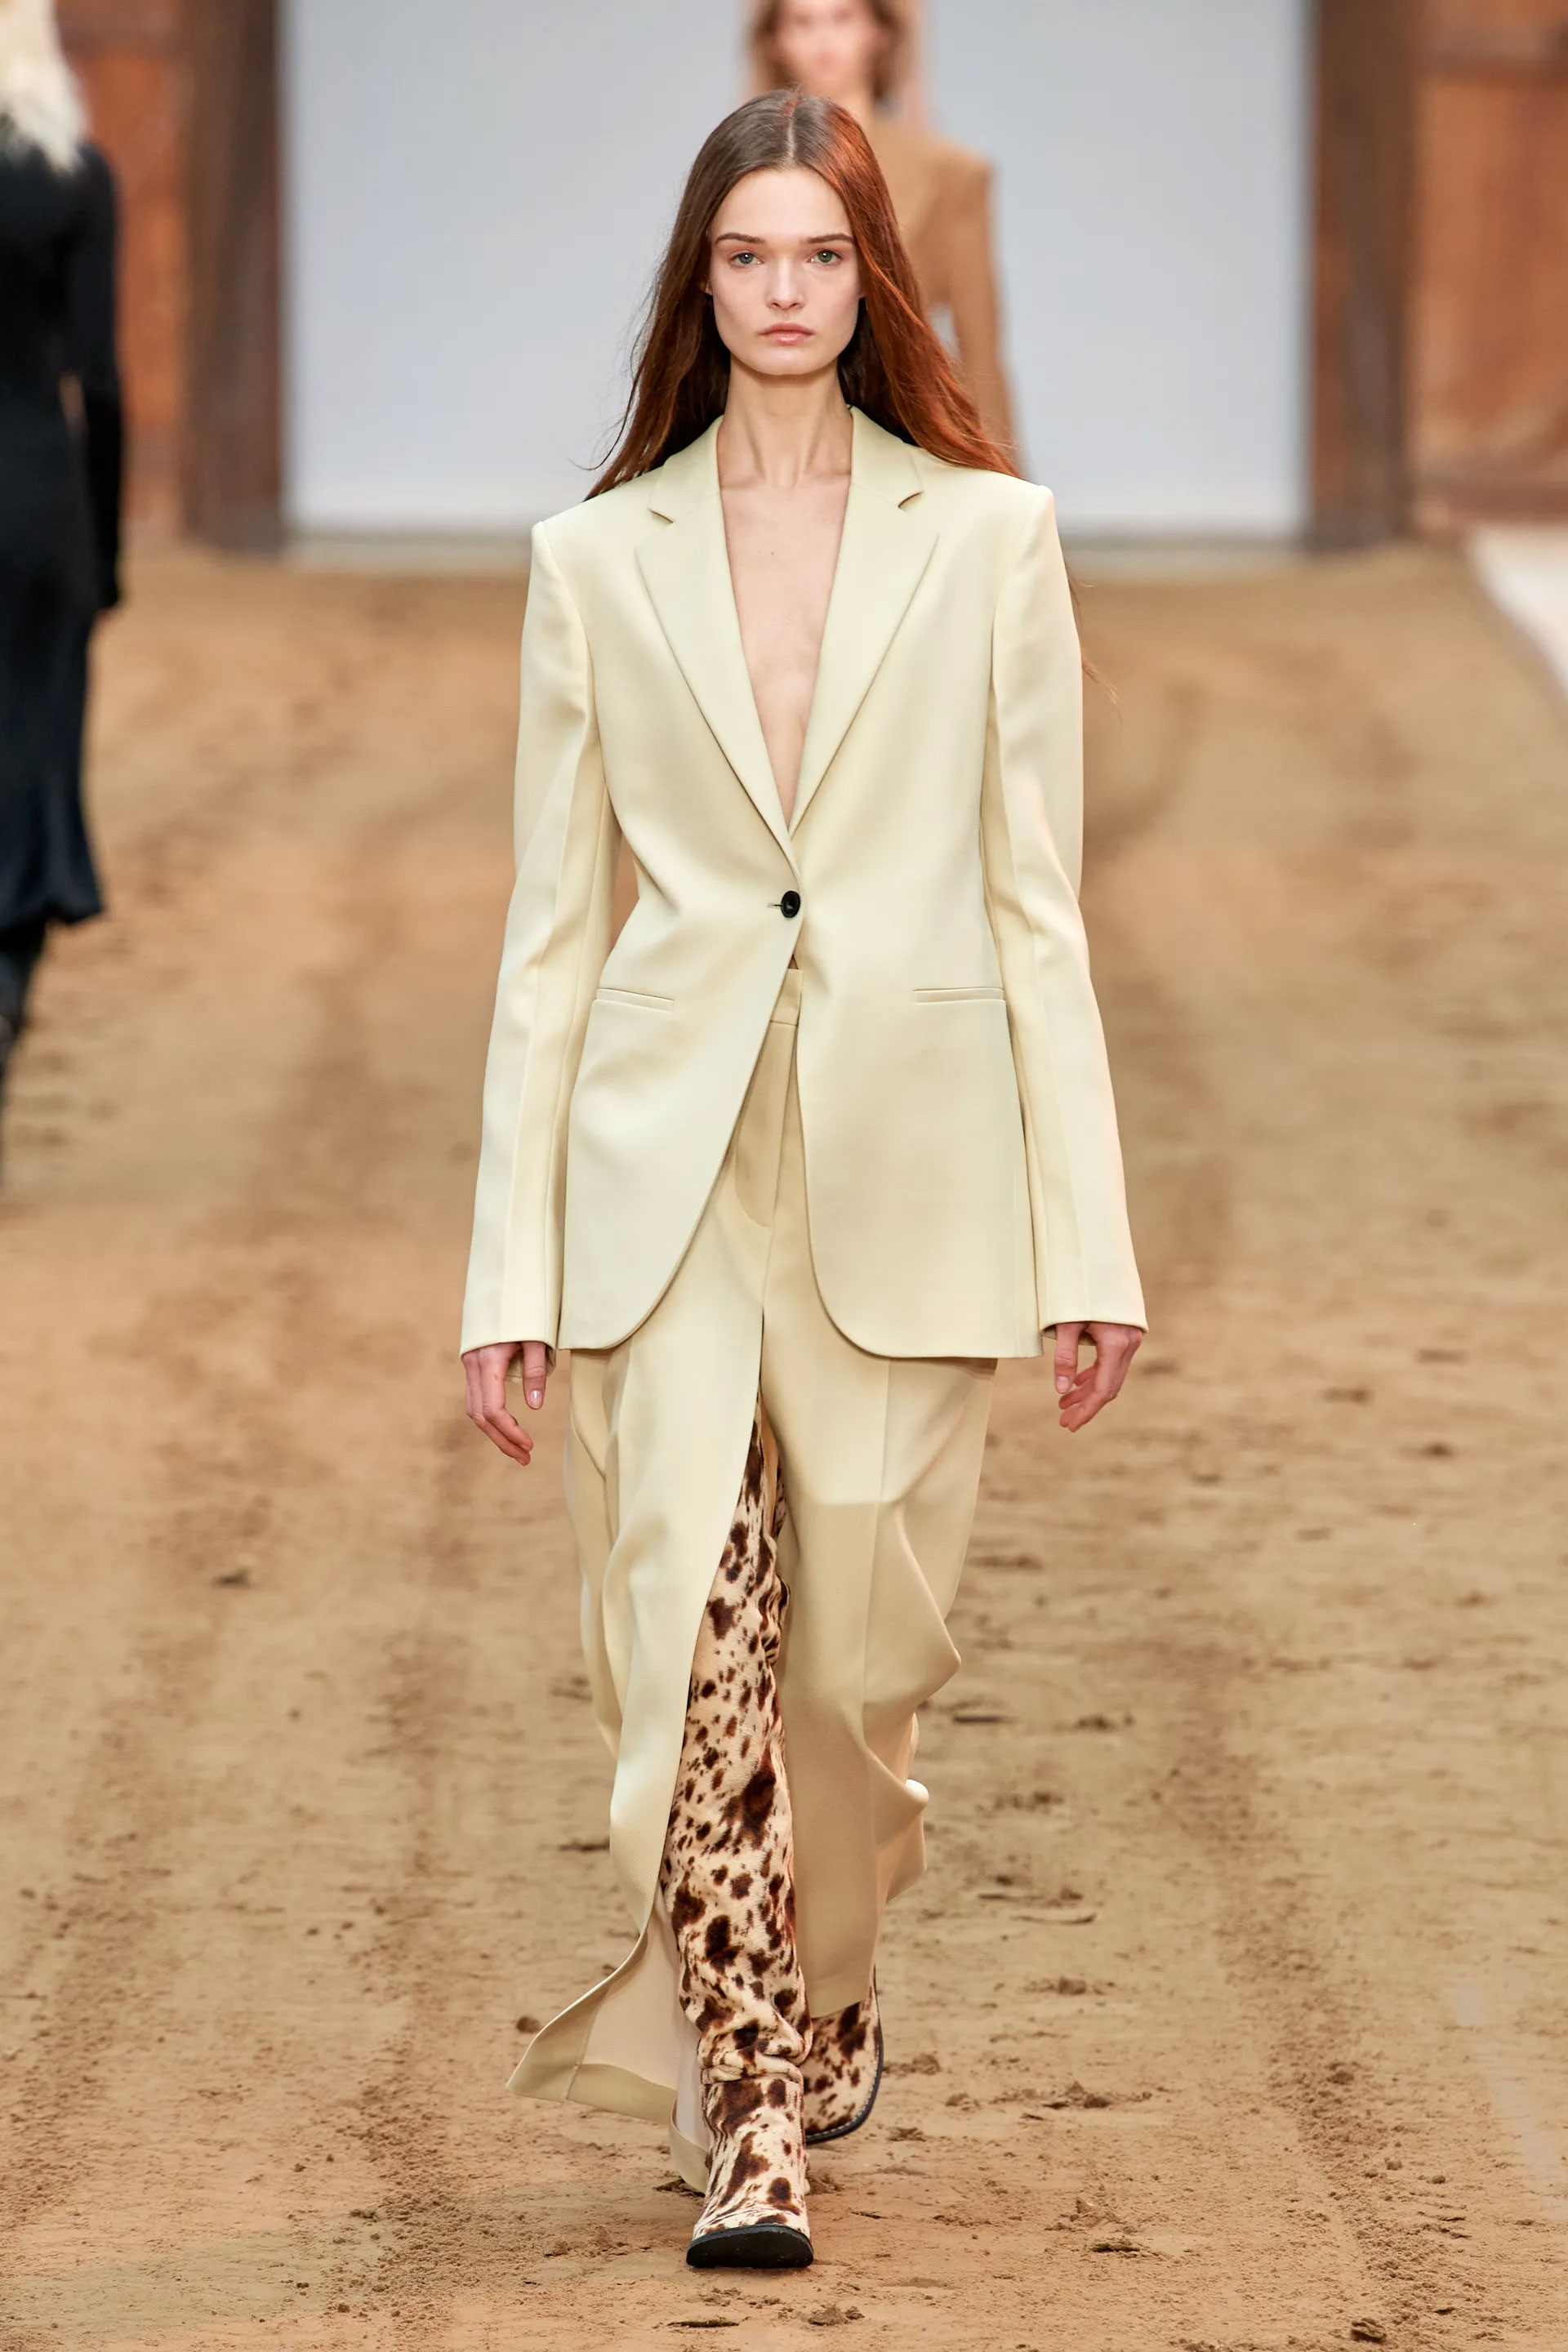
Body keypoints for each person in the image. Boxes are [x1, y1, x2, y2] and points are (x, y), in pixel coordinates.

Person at [461, 91, 1143, 2271]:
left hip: (906, 1159)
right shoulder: (595, 560)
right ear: (702, 281)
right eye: (748, 256)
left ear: (873, 277)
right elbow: (551, 936)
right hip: (659, 1171)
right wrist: (505, 1271)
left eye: (822, 255)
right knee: (689, 1630)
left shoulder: (990, 539)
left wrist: (1087, 1240)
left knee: (846, 1672)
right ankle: (750, 2098)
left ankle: (826, 1975)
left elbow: (1035, 906)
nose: (783, 291)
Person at [0, 0, 121, 1154]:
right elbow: (106, 382)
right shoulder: (73, 178)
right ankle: (5, 989)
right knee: (33, 748)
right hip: (39, 502)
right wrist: (110, 556)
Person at [751, 0, 1018, 462]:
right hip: (769, 441)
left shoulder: (950, 174)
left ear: (880, 33)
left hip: (903, 434)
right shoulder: (742, 175)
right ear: (776, 41)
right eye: (803, 22)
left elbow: (979, 351)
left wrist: (1006, 482)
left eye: (842, 18)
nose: (823, 40)